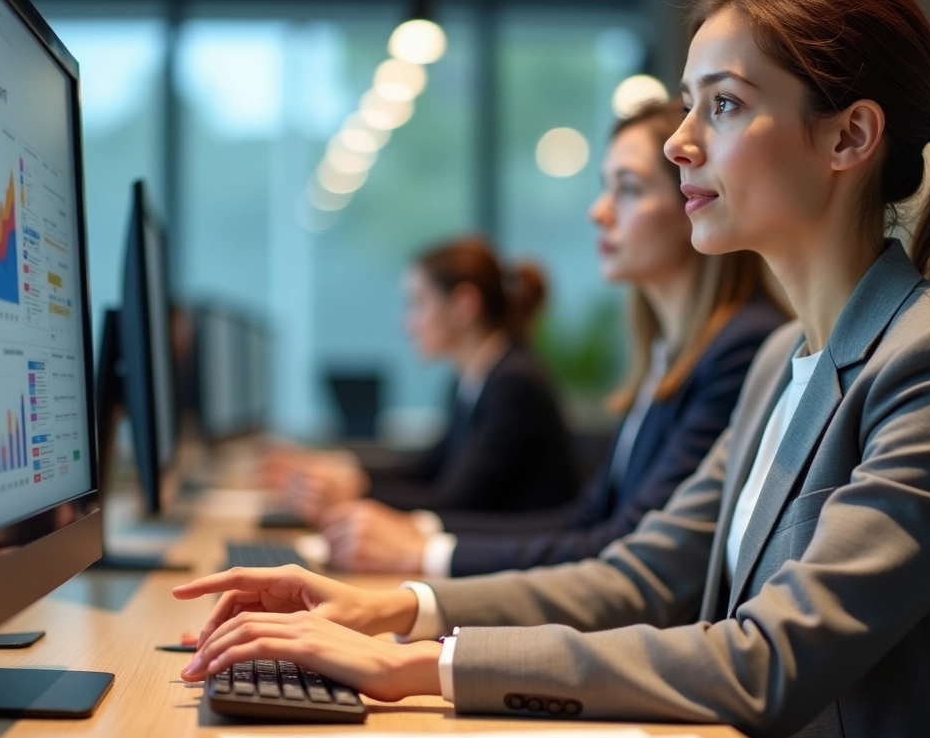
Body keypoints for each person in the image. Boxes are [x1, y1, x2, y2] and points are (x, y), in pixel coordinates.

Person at [174, 0, 930, 738]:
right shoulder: (780, 362)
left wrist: (419, 665)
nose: (680, 141)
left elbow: (771, 659)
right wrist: (392, 608)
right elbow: (641, 574)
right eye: (688, 102)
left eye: (723, 104)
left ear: (847, 137)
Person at [318, 100, 786, 576]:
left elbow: (628, 546)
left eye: (628, 189)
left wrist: (424, 550)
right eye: (605, 188)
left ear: (692, 197)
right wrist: (422, 536)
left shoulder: (740, 349)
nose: (599, 212)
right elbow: (586, 519)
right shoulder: (668, 356)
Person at [268, 237, 580, 518]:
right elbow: (430, 468)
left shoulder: (513, 385)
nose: (406, 323)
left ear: (464, 305)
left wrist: (355, 492)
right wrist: (350, 474)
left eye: (418, 303)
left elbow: (456, 502)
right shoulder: (472, 380)